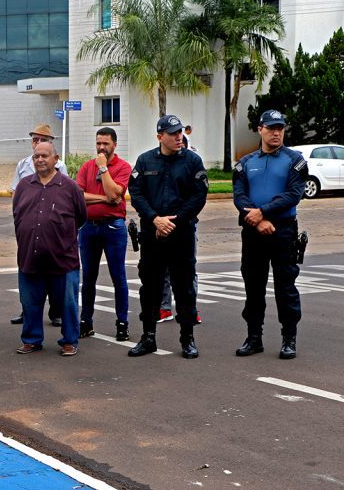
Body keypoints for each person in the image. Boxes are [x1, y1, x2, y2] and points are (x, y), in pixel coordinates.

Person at [127, 114, 208, 359]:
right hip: (153, 234)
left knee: (184, 287)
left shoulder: (193, 161)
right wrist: (155, 219)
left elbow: (199, 195)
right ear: (160, 136)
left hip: (181, 233)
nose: (178, 137)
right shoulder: (144, 160)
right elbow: (136, 192)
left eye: (180, 132)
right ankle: (148, 337)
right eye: (172, 133)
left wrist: (175, 221)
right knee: (150, 287)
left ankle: (187, 338)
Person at [233, 110, 307, 359]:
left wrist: (263, 212)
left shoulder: (294, 159)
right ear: (260, 129)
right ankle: (254, 338)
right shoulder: (245, 162)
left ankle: (289, 339)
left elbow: (294, 194)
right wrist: (256, 220)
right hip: (253, 232)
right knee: (253, 286)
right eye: (271, 128)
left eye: (280, 128)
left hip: (283, 231)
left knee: (285, 287)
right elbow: (239, 195)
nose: (276, 132)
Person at [13, 142, 87, 356]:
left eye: (45, 156)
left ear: (55, 159)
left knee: (68, 303)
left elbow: (81, 217)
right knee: (29, 302)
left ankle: (70, 341)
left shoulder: (70, 187)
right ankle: (32, 339)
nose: (40, 160)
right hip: (30, 257)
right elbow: (17, 215)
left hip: (63, 259)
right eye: (36, 156)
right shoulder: (24, 186)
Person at [75, 127, 132, 341]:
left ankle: (122, 323)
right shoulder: (86, 167)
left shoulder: (123, 167)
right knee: (88, 277)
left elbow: (115, 192)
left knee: (119, 277)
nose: (101, 147)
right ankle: (86, 321)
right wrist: (104, 199)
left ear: (114, 145)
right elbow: (79, 196)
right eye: (98, 143)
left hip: (113, 227)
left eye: (105, 143)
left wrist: (103, 169)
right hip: (89, 227)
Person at [9, 123, 68, 326]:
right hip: (30, 224)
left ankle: (55, 312)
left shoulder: (60, 167)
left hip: (52, 228)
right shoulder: (23, 164)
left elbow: (68, 199)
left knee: (53, 273)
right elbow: (15, 193)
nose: (37, 143)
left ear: (50, 144)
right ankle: (27, 312)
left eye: (41, 139)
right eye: (34, 139)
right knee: (28, 272)